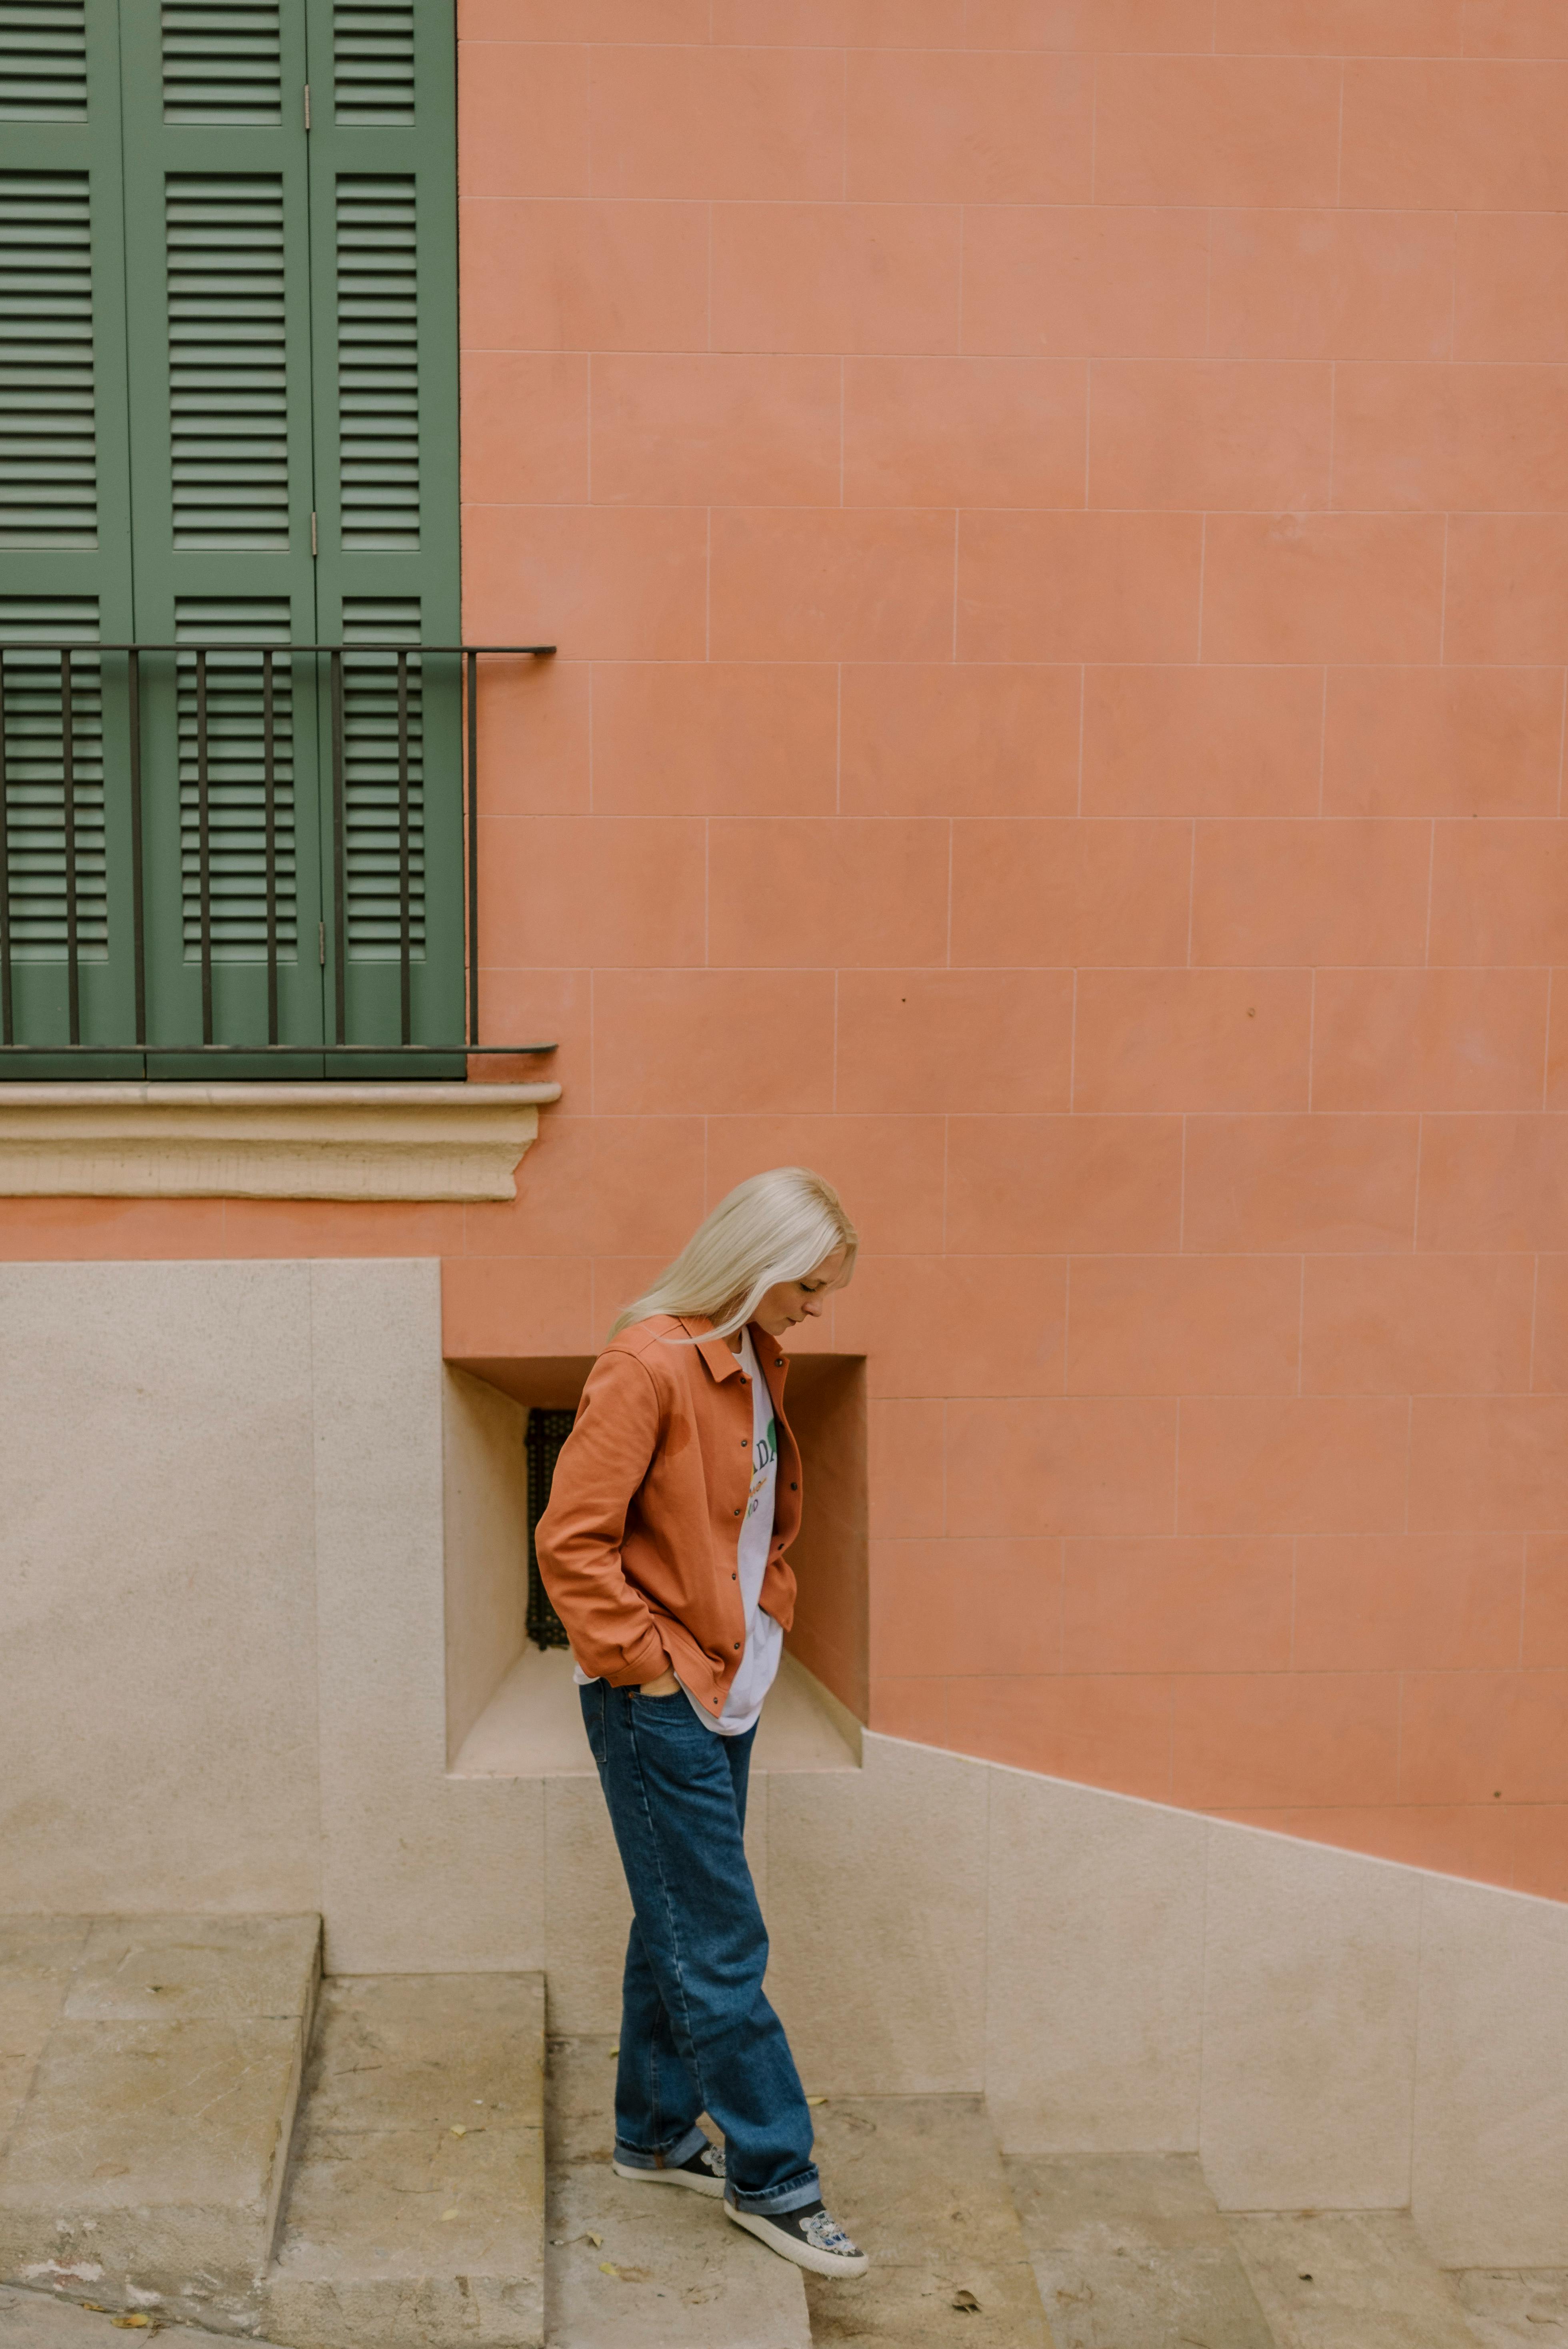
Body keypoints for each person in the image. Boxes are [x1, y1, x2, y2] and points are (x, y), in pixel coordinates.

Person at [536, 1166, 868, 2281]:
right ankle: (777, 2177)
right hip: (663, 1698)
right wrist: (651, 1672)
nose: (818, 1310)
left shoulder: (757, 1362)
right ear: (759, 1267)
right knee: (720, 1938)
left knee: (675, 1913)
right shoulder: (649, 1365)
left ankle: (652, 2132)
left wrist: (765, 1615)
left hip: (734, 1685)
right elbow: (571, 1543)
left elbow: (760, 1520)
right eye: (809, 1287)